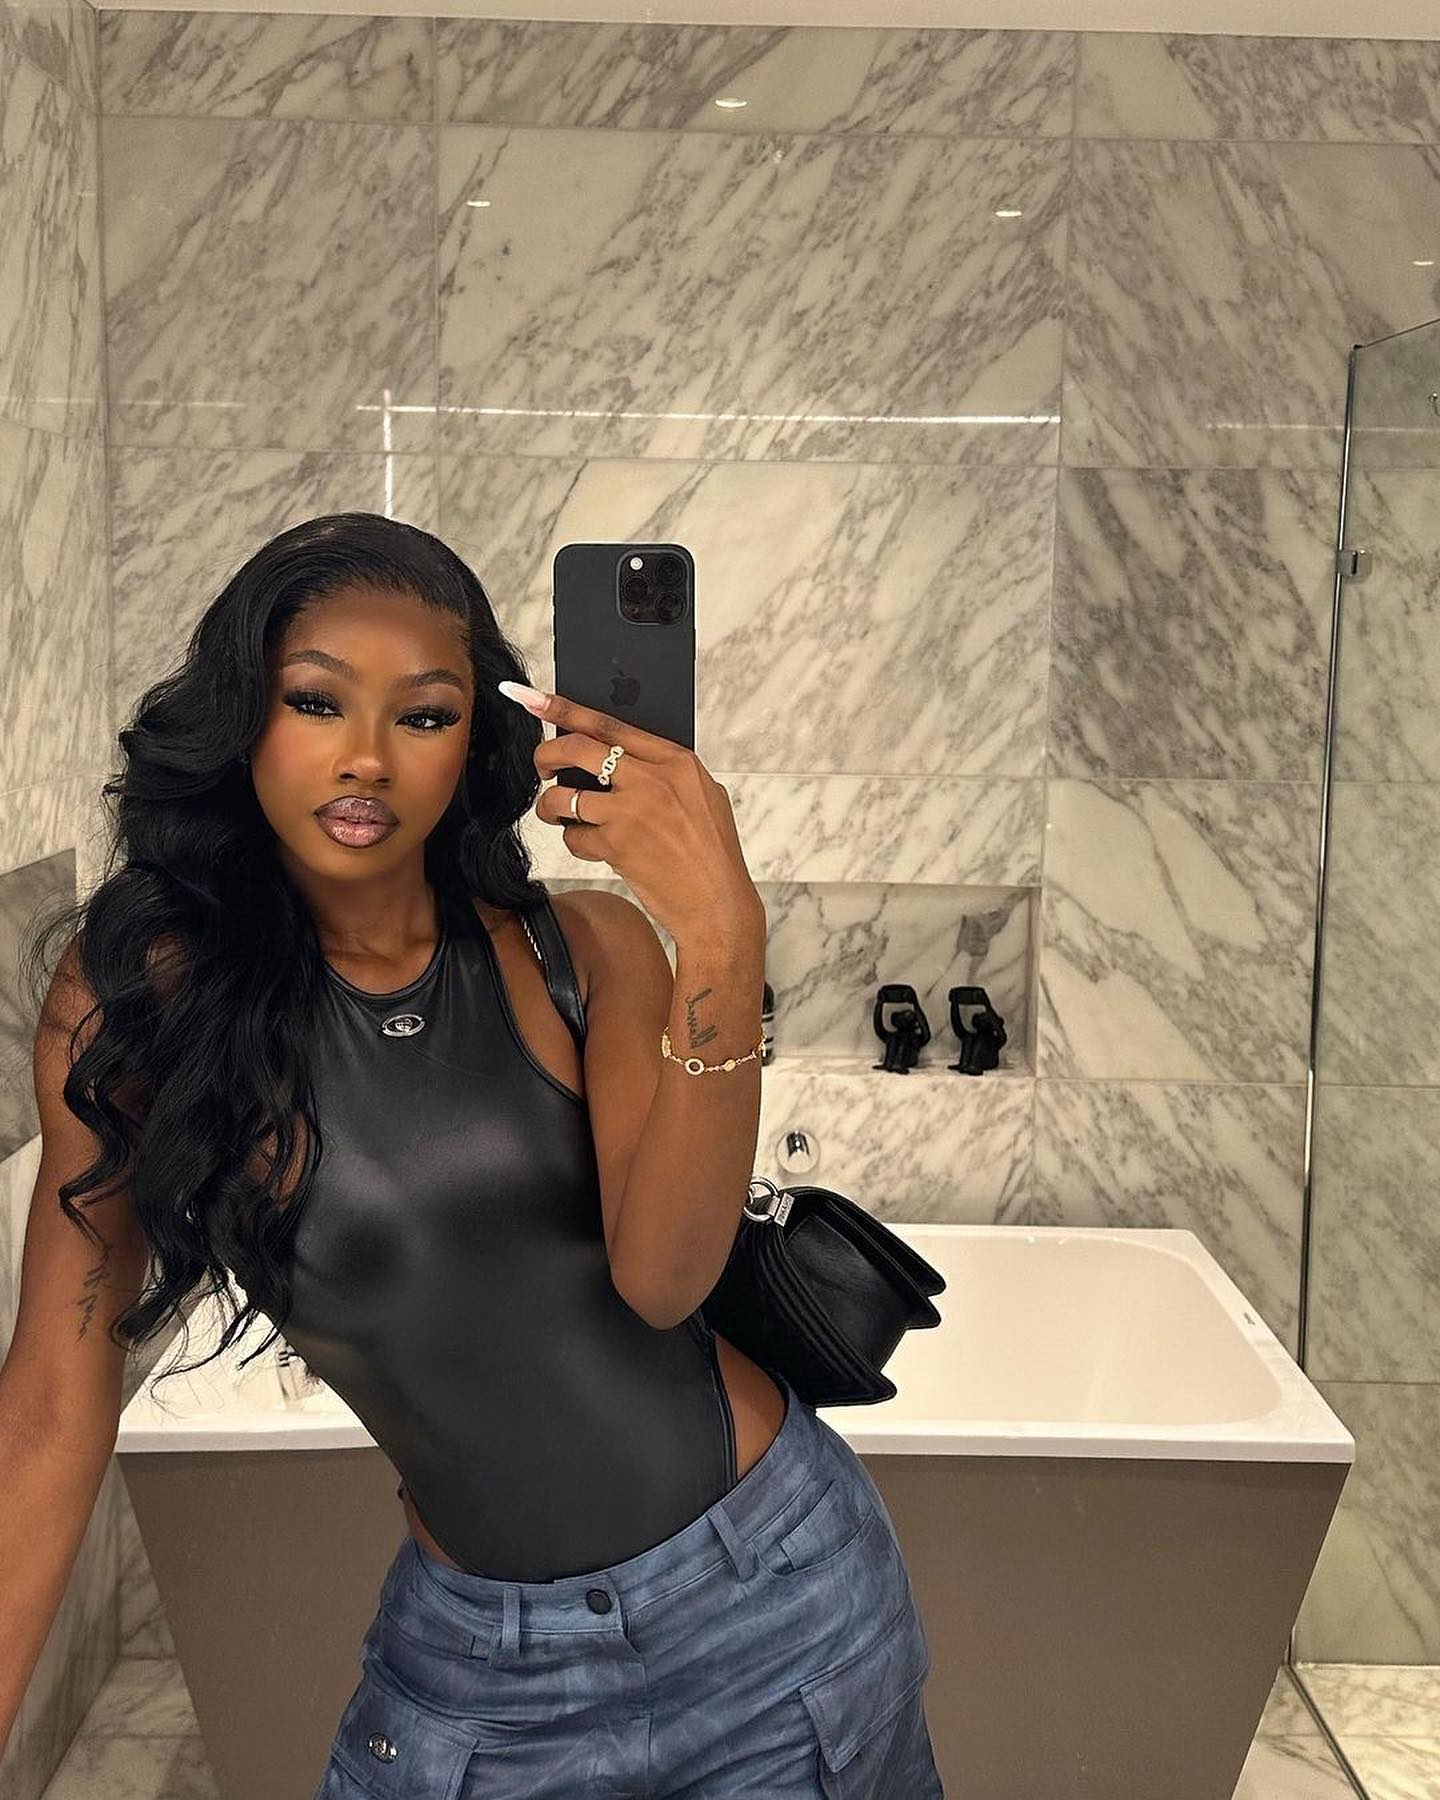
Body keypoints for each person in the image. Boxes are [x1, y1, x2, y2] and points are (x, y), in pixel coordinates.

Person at [0, 512, 943, 1796]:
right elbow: (53, 1410)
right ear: (243, 718)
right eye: (316, 700)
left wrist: (723, 932)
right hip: (481, 1667)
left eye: (426, 715)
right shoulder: (135, 1002)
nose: (368, 756)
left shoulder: (582, 949)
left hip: (772, 1599)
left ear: (473, 743)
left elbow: (666, 1280)